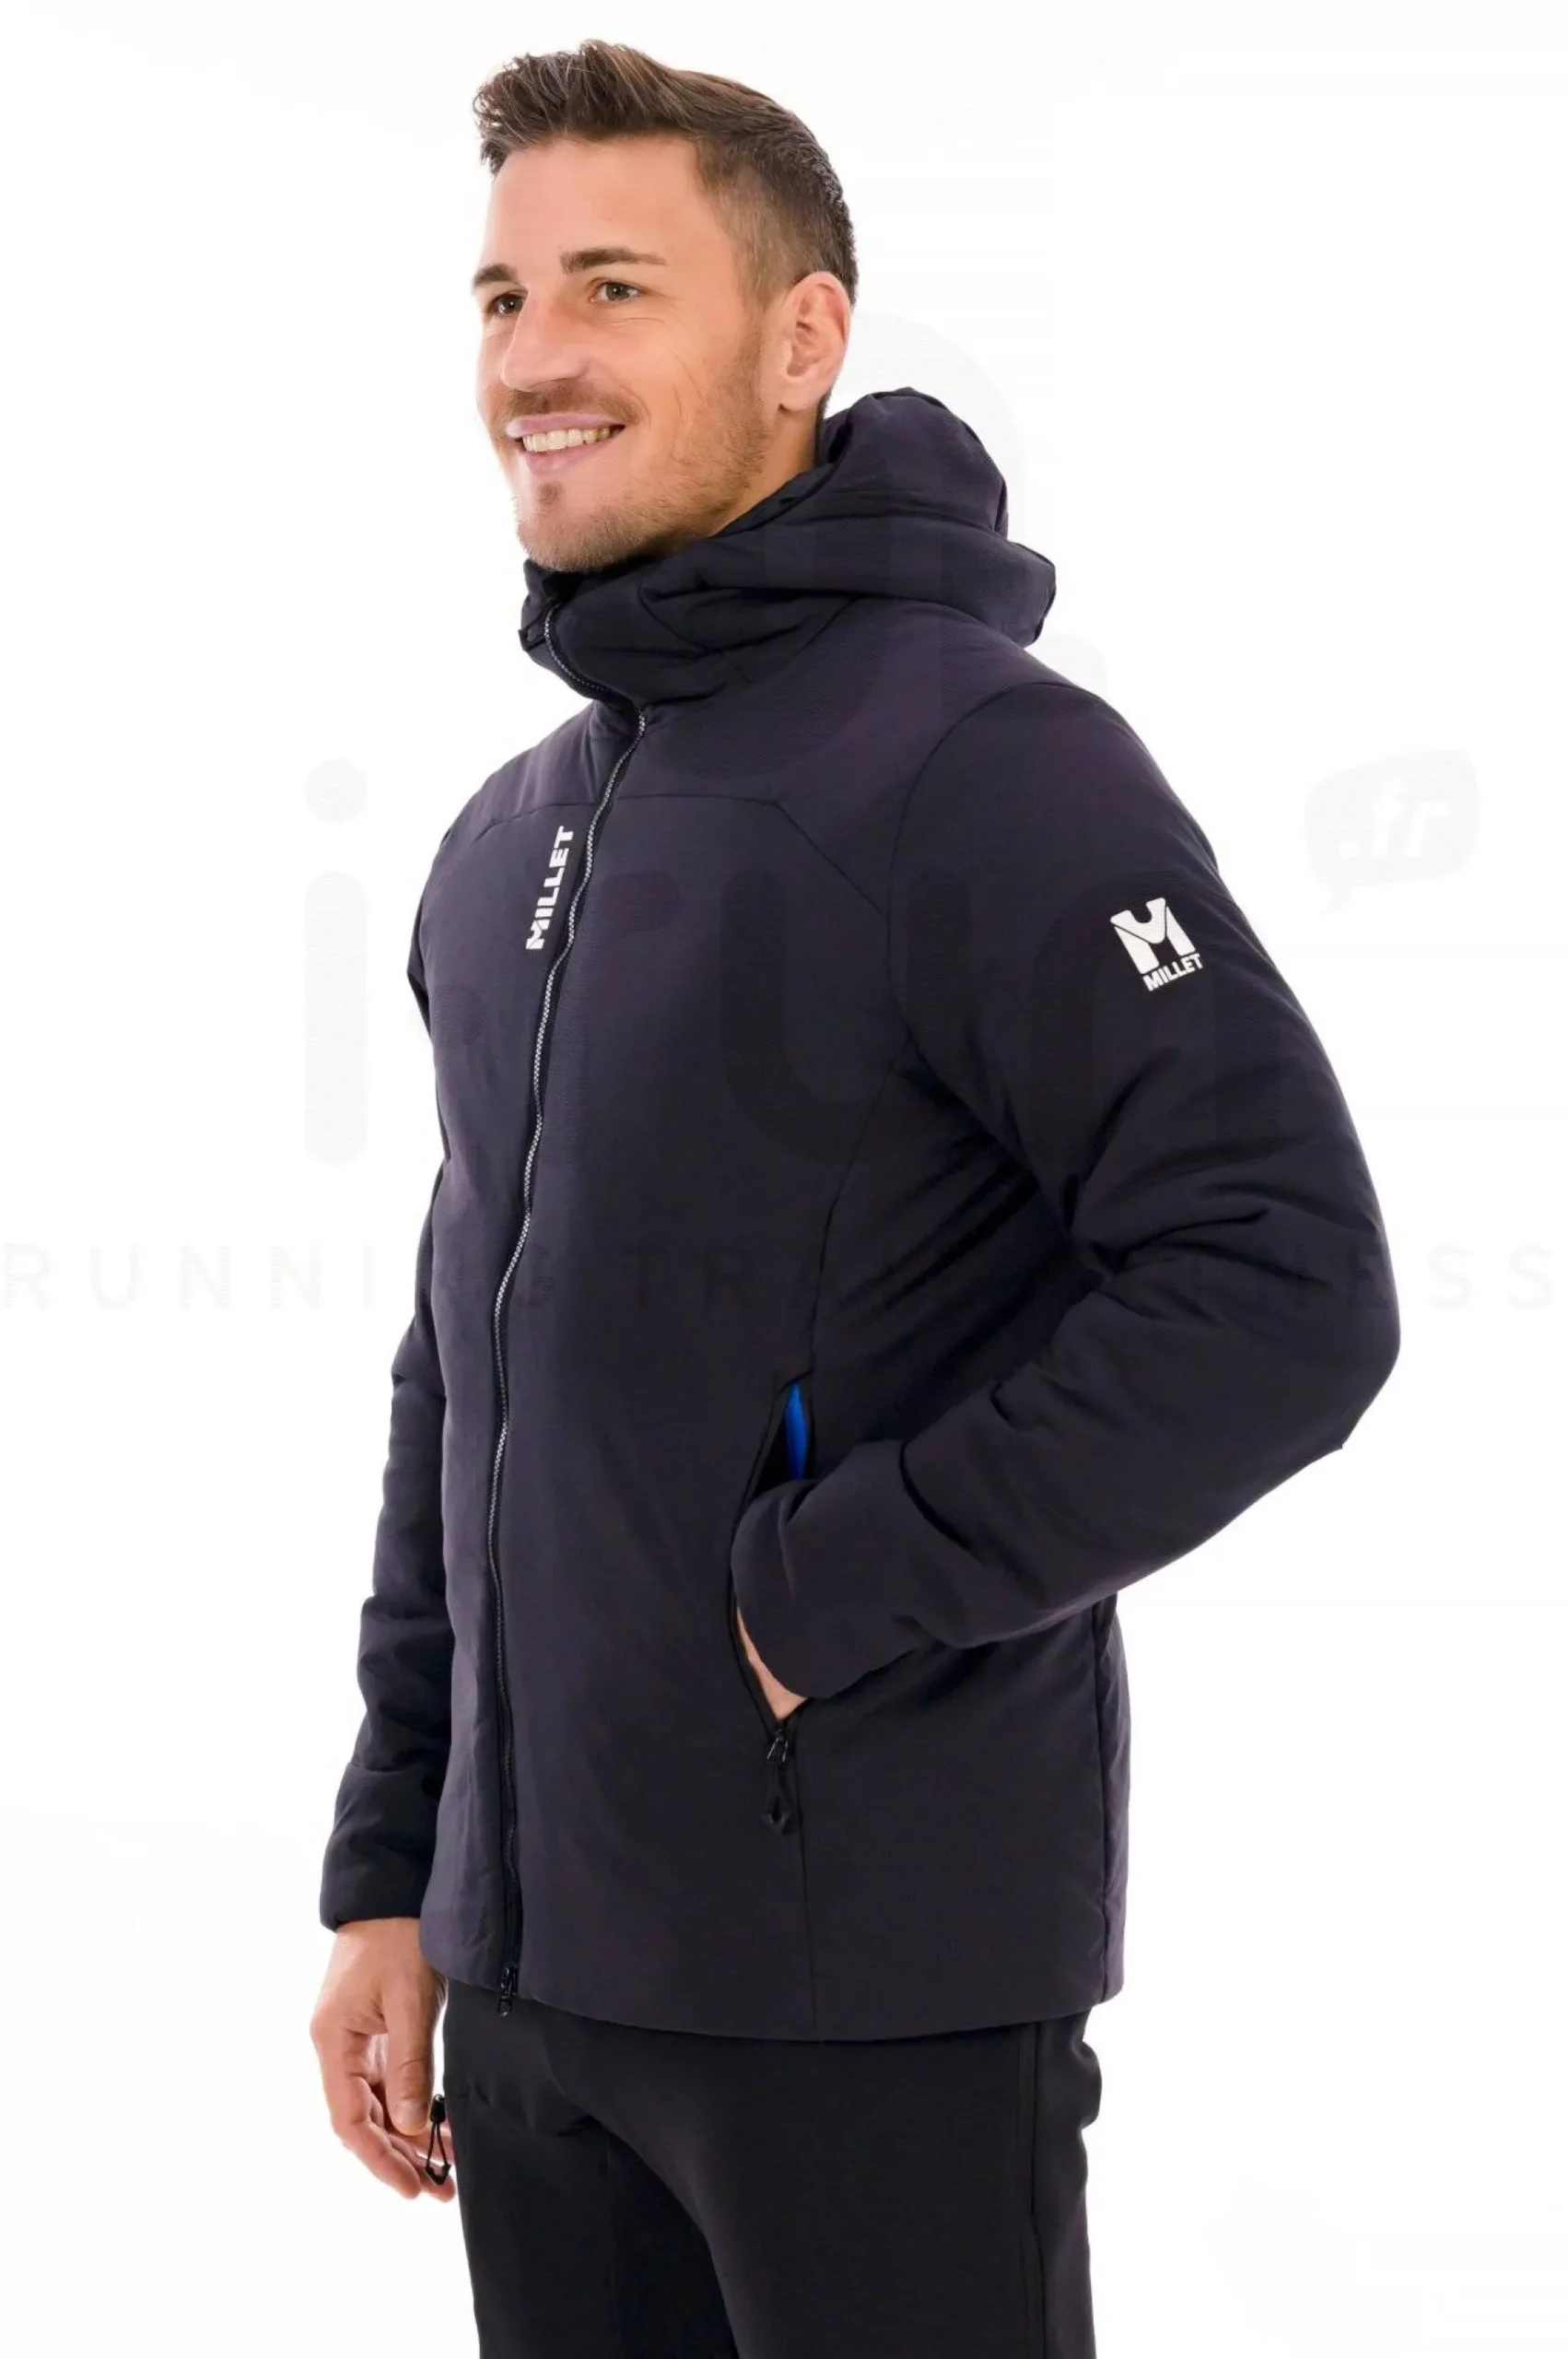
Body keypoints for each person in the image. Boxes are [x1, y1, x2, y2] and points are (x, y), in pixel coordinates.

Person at [310, 39, 1401, 2359]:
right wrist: (399, 1866)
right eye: (501, 295)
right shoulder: (511, 833)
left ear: (801, 336)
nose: (533, 356)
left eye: (613, 285)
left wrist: (828, 1585)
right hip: (533, 1994)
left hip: (866, 1984)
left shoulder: (979, 760)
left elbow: (1279, 1278)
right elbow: (462, 1362)